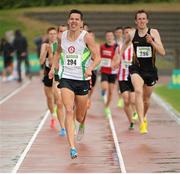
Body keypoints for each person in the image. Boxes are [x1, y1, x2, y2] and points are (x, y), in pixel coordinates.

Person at [49, 9, 100, 159]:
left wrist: (90, 68)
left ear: (81, 23)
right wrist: (53, 67)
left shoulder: (86, 37)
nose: (74, 21)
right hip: (66, 78)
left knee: (79, 116)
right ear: (68, 21)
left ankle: (82, 124)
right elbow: (58, 52)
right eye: (71, 19)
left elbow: (97, 57)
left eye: (77, 19)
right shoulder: (62, 36)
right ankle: (72, 147)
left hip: (83, 79)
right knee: (68, 110)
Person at [117, 10, 165, 134]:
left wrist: (152, 42)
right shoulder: (132, 34)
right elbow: (124, 45)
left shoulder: (153, 32)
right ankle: (141, 122)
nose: (141, 21)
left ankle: (143, 116)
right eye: (139, 19)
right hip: (136, 68)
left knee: (146, 99)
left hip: (150, 70)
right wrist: (119, 57)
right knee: (138, 90)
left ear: (147, 20)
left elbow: (162, 52)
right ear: (135, 21)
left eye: (143, 19)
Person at [40, 27, 66, 136]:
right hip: (47, 74)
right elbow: (41, 61)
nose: (52, 35)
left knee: (58, 99)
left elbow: (55, 62)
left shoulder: (60, 45)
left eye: (54, 33)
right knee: (49, 97)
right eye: (50, 34)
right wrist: (46, 51)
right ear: (47, 35)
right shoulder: (45, 46)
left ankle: (62, 123)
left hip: (57, 74)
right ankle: (52, 114)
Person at [113, 26, 137, 130]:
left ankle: (136, 111)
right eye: (126, 32)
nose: (127, 34)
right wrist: (115, 63)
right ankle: (131, 120)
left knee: (132, 100)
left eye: (129, 32)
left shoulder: (136, 46)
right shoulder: (119, 47)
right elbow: (115, 59)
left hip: (134, 76)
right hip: (122, 77)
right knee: (126, 101)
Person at [100, 31, 118, 118]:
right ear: (106, 37)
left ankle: (107, 107)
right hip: (104, 70)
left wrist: (114, 63)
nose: (109, 37)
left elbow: (118, 57)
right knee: (104, 87)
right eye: (107, 36)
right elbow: (99, 56)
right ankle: (103, 90)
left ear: (113, 37)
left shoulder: (116, 47)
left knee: (111, 92)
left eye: (111, 36)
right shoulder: (102, 46)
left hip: (113, 72)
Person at [114, 27, 124, 108]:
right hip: (118, 65)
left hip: (126, 65)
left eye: (120, 32)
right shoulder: (114, 43)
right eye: (117, 32)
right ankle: (120, 98)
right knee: (119, 82)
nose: (119, 34)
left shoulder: (126, 42)